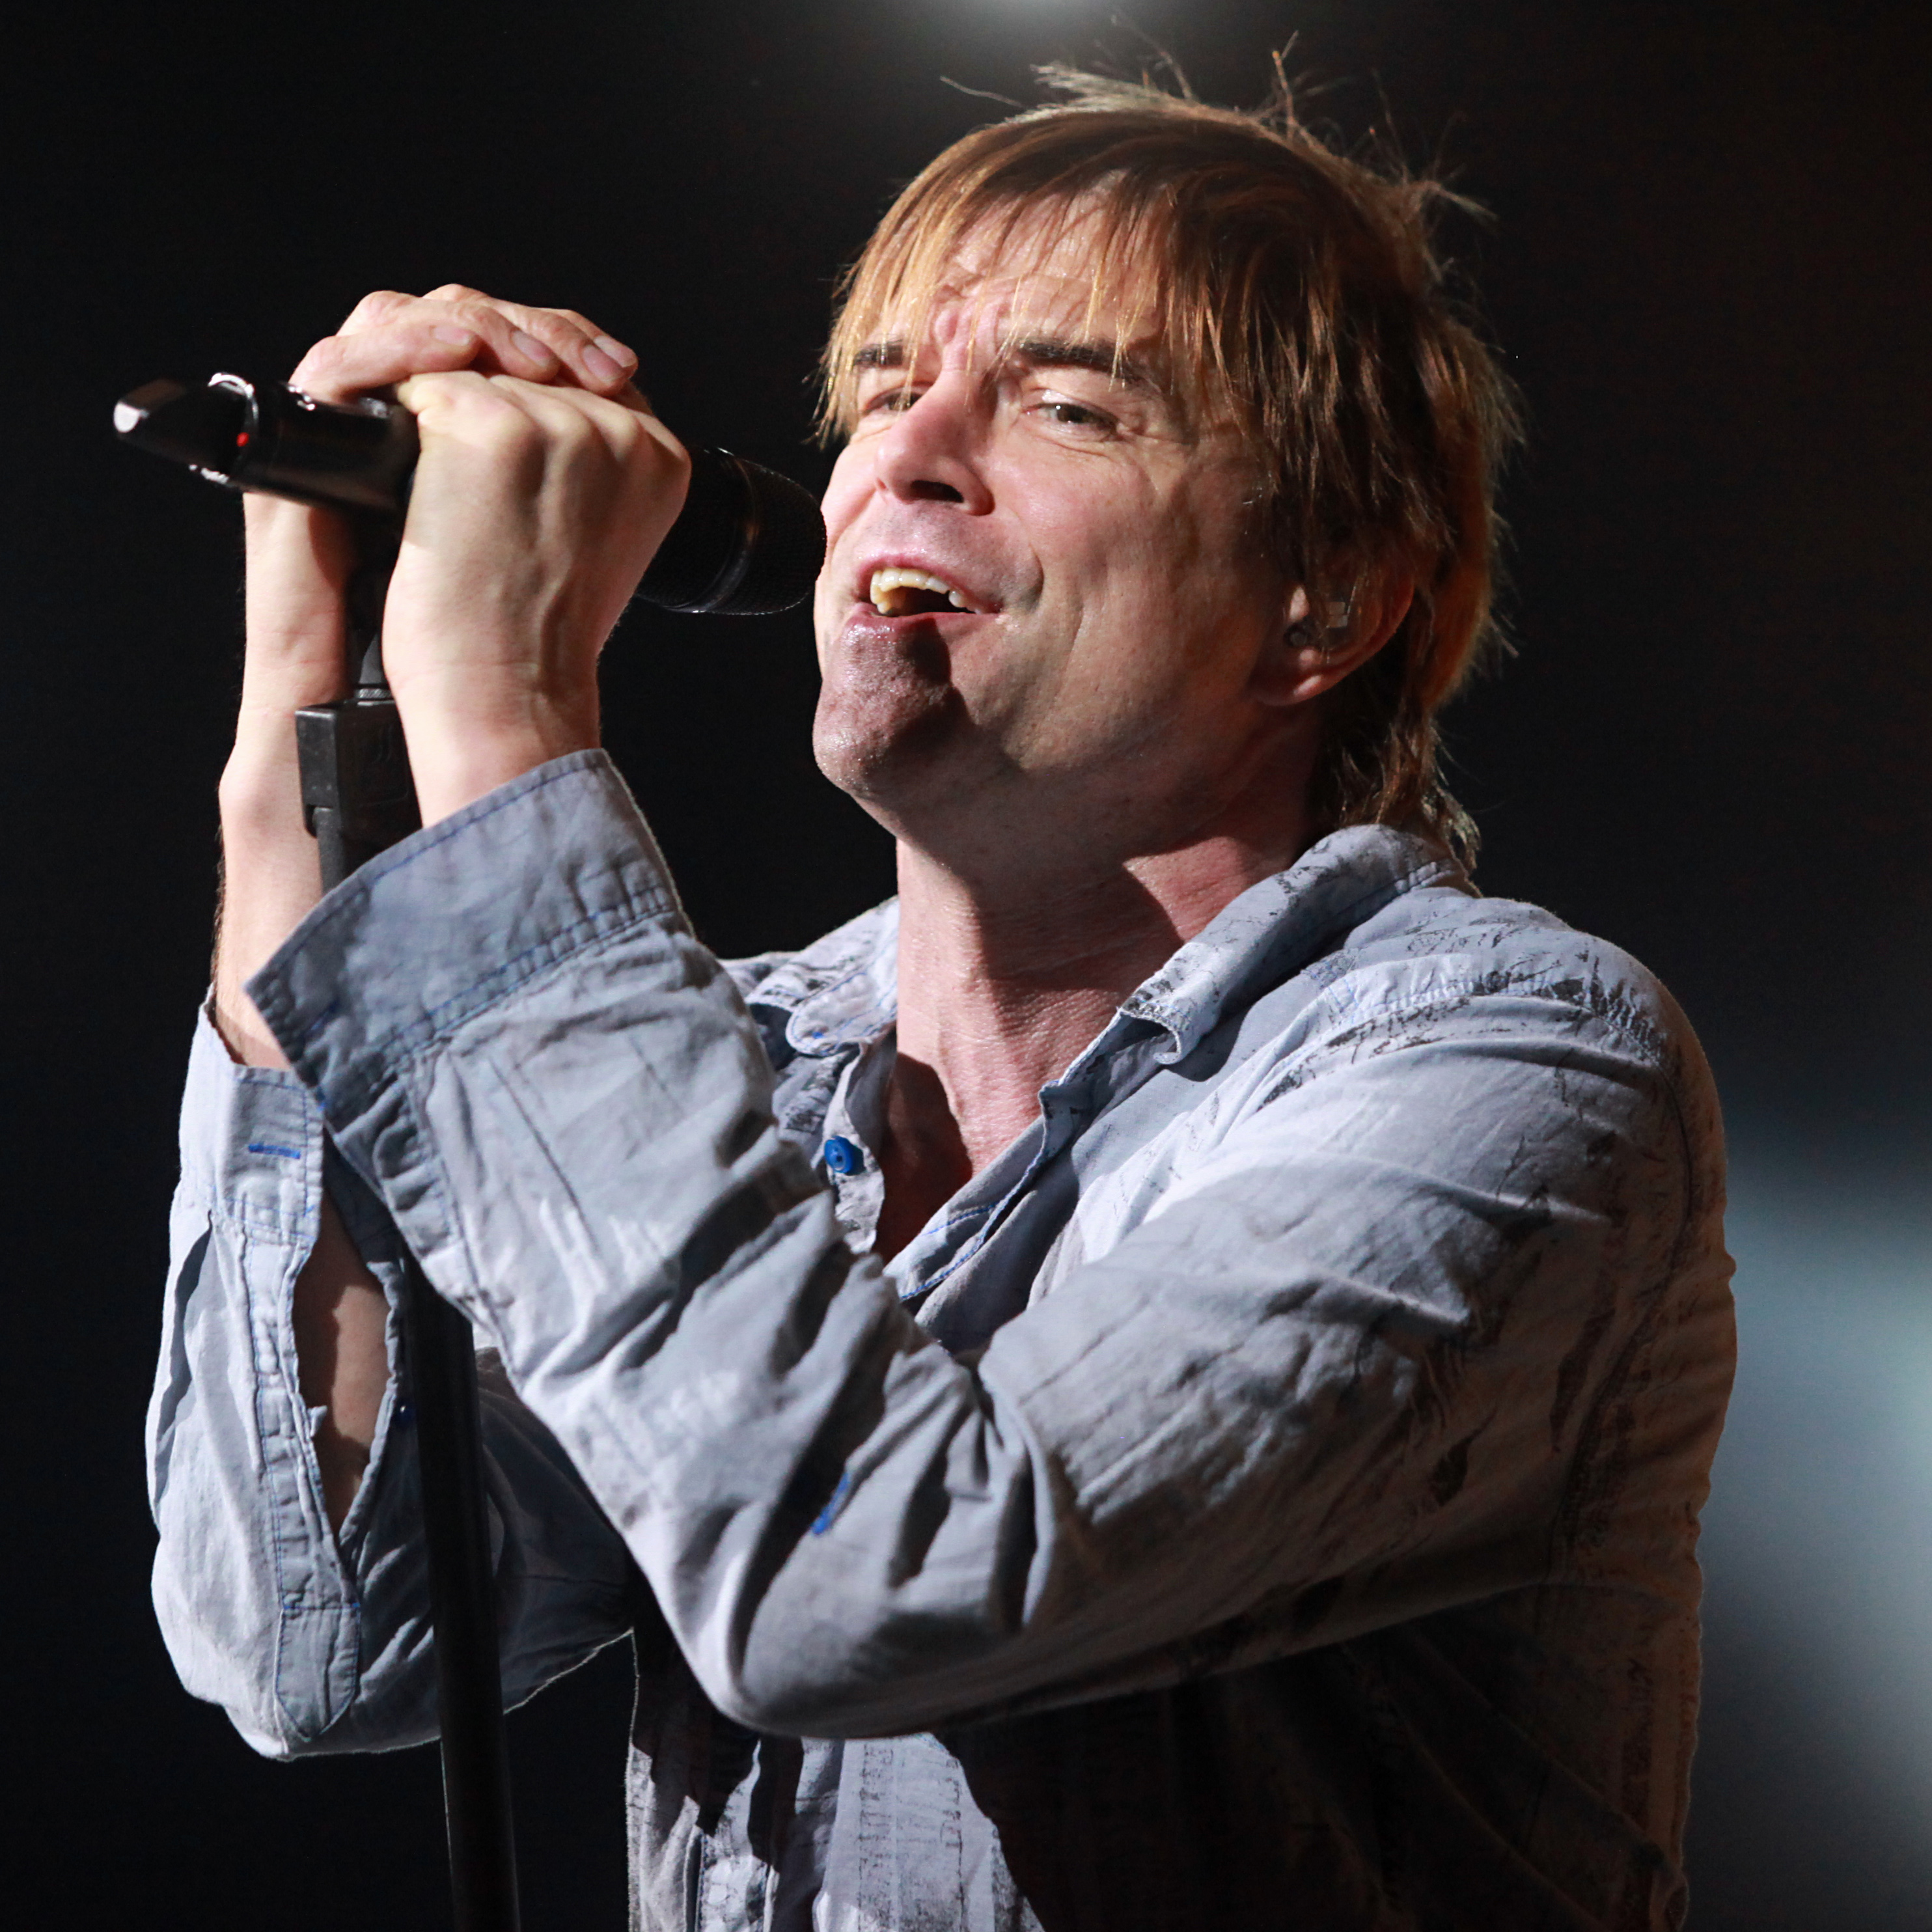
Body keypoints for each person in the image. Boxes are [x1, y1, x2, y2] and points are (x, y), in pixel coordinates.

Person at [148, 70, 1735, 1932]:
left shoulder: (1516, 1062)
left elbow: (874, 1576)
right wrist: (295, 753)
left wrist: (507, 719)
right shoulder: (731, 1064)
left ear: (1332, 594)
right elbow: (328, 1643)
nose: (911, 454)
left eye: (1067, 404)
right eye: (884, 390)